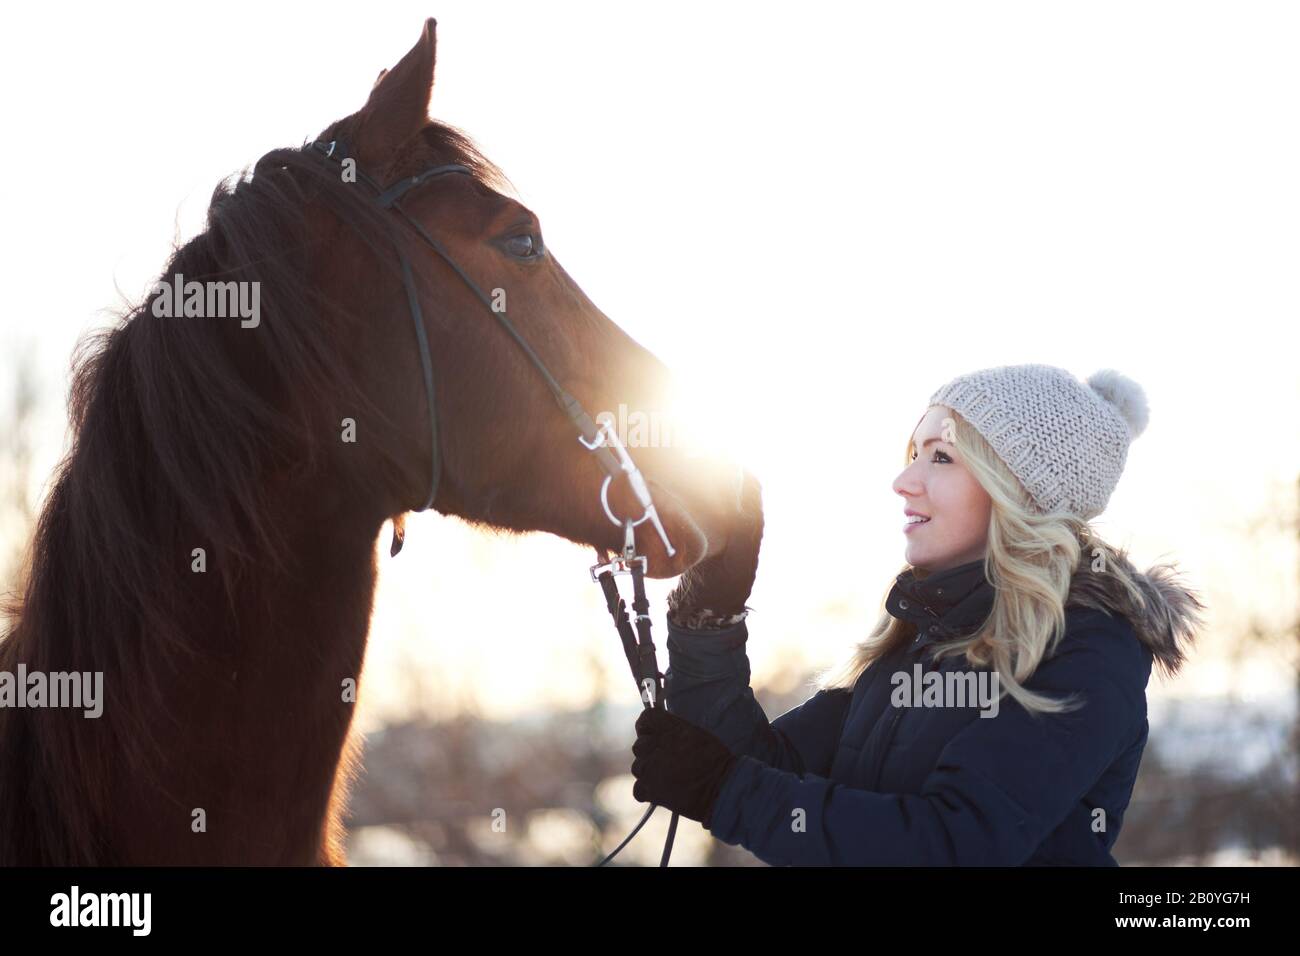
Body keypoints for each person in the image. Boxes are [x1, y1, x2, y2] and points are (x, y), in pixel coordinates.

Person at [630, 364, 1205, 865]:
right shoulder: (917, 648)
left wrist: (727, 789)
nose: (904, 481)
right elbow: (761, 767)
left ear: (1020, 492)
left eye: (941, 457)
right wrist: (710, 610)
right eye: (914, 454)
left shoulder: (1088, 652)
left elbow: (953, 843)